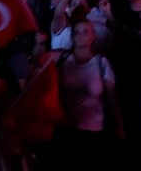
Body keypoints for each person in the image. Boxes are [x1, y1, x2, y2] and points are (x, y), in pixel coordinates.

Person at [53, 16, 123, 169]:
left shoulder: (101, 63)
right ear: (72, 37)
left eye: (86, 32)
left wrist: (119, 126)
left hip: (94, 131)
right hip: (67, 130)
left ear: (93, 36)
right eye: (77, 32)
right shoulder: (62, 60)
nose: (82, 35)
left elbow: (112, 98)